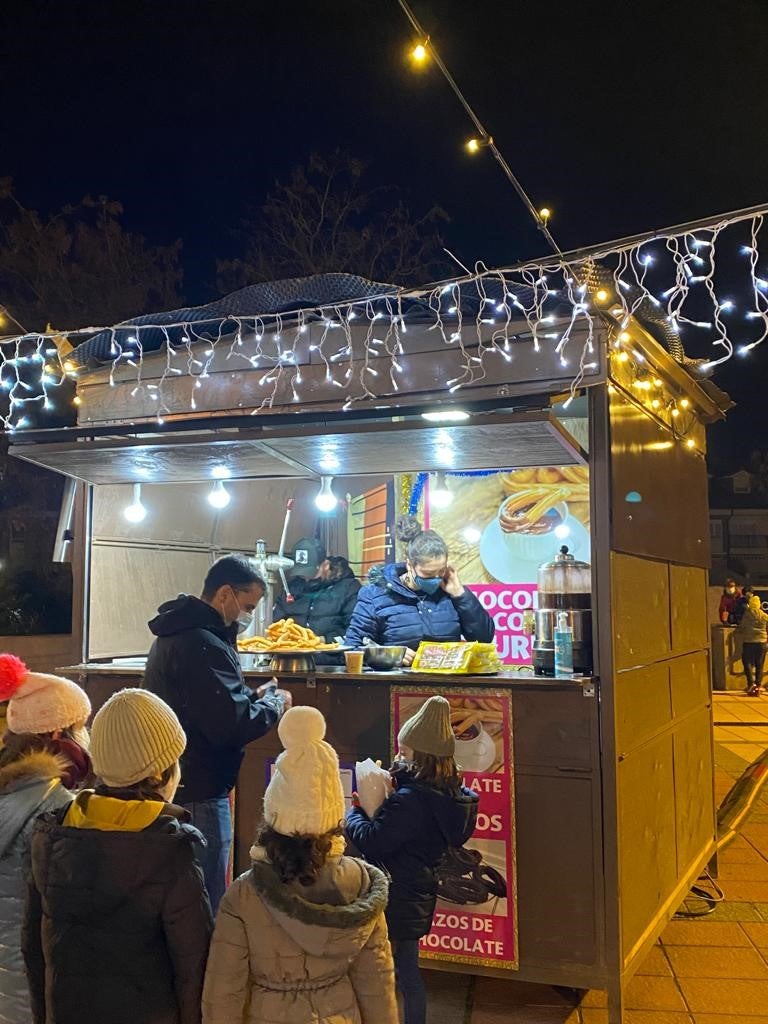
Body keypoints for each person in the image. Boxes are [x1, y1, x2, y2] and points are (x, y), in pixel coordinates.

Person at [24, 688, 213, 1024]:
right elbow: (194, 971)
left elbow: (35, 953)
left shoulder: (52, 835)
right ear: (160, 774)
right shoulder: (171, 852)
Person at [202, 705, 398, 1024]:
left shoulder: (244, 895)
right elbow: (377, 984)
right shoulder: (361, 887)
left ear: (273, 814)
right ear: (337, 816)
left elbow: (224, 994)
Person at [144, 554, 292, 911]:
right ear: (225, 593)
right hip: (199, 787)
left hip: (180, 779)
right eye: (248, 605)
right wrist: (274, 705)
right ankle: (207, 967)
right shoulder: (201, 642)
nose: (249, 616)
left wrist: (251, 698)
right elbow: (229, 725)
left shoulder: (183, 632)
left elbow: (210, 705)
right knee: (204, 897)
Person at [345, 696, 479, 1024]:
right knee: (410, 976)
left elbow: (373, 841)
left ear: (421, 753)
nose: (399, 754)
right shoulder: (449, 794)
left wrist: (355, 812)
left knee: (379, 973)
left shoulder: (411, 801)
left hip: (395, 894)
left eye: (404, 751)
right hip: (419, 893)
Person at [0, 654, 91, 1024]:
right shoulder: (57, 808)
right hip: (34, 996)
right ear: (57, 735)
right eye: (80, 727)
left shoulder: (9, 793)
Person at [344, 516, 494, 665]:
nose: (436, 578)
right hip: (398, 683)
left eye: (441, 571)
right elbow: (352, 648)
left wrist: (461, 595)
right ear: (409, 565)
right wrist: (388, 656)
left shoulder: (450, 591)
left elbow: (484, 638)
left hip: (448, 682)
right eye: (428, 574)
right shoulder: (375, 594)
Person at [273, 555, 361, 641]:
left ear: (326, 565)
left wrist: (324, 640)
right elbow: (275, 622)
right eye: (302, 574)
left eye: (311, 572)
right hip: (291, 651)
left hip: (331, 653)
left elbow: (355, 631)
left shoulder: (349, 588)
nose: (307, 578)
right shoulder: (292, 588)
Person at [736, 594, 768, 696]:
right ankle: (758, 685)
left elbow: (742, 627)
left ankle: (751, 684)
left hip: (749, 642)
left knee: (747, 663)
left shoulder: (747, 615)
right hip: (762, 642)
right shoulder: (764, 615)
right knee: (759, 665)